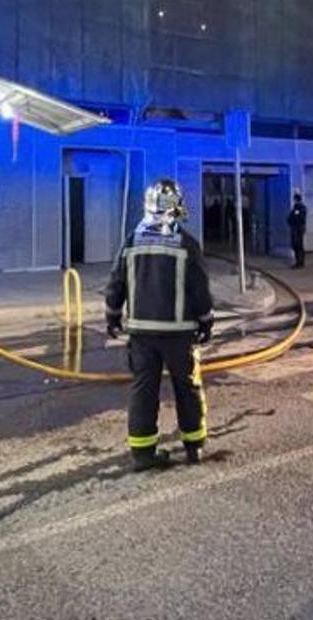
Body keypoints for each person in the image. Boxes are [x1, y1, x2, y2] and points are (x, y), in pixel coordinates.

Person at [104, 178, 215, 471]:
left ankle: (142, 454)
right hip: (179, 334)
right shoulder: (187, 243)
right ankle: (194, 447)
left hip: (141, 333)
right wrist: (206, 322)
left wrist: (112, 316)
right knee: (187, 387)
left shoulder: (132, 240)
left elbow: (116, 282)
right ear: (176, 207)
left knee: (143, 390)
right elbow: (200, 289)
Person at [287, 190, 308, 268]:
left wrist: (292, 220)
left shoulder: (300, 208)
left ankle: (299, 262)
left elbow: (297, 218)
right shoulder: (297, 208)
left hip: (298, 229)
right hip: (297, 229)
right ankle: (299, 262)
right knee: (297, 246)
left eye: (295, 199)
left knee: (298, 246)